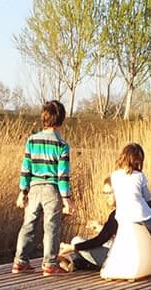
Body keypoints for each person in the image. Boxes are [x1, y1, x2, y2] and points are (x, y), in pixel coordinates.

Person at [12, 100, 75, 276]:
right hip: (52, 190)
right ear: (61, 120)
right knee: (51, 227)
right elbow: (63, 175)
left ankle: (20, 261)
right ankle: (49, 263)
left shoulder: (32, 141)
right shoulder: (62, 145)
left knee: (28, 224)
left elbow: (26, 168)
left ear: (44, 119)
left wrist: (22, 191)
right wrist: (66, 199)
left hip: (33, 188)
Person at [110, 142, 151, 280]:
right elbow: (147, 196)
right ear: (138, 160)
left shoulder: (114, 175)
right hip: (141, 213)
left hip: (122, 214)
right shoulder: (139, 176)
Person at [59, 177, 118, 270]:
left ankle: (73, 261)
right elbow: (114, 234)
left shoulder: (117, 214)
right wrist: (100, 227)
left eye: (109, 193)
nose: (106, 197)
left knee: (76, 241)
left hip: (115, 260)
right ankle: (77, 262)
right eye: (104, 193)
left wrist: (73, 247)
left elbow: (99, 240)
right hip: (118, 251)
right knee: (79, 242)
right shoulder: (132, 209)